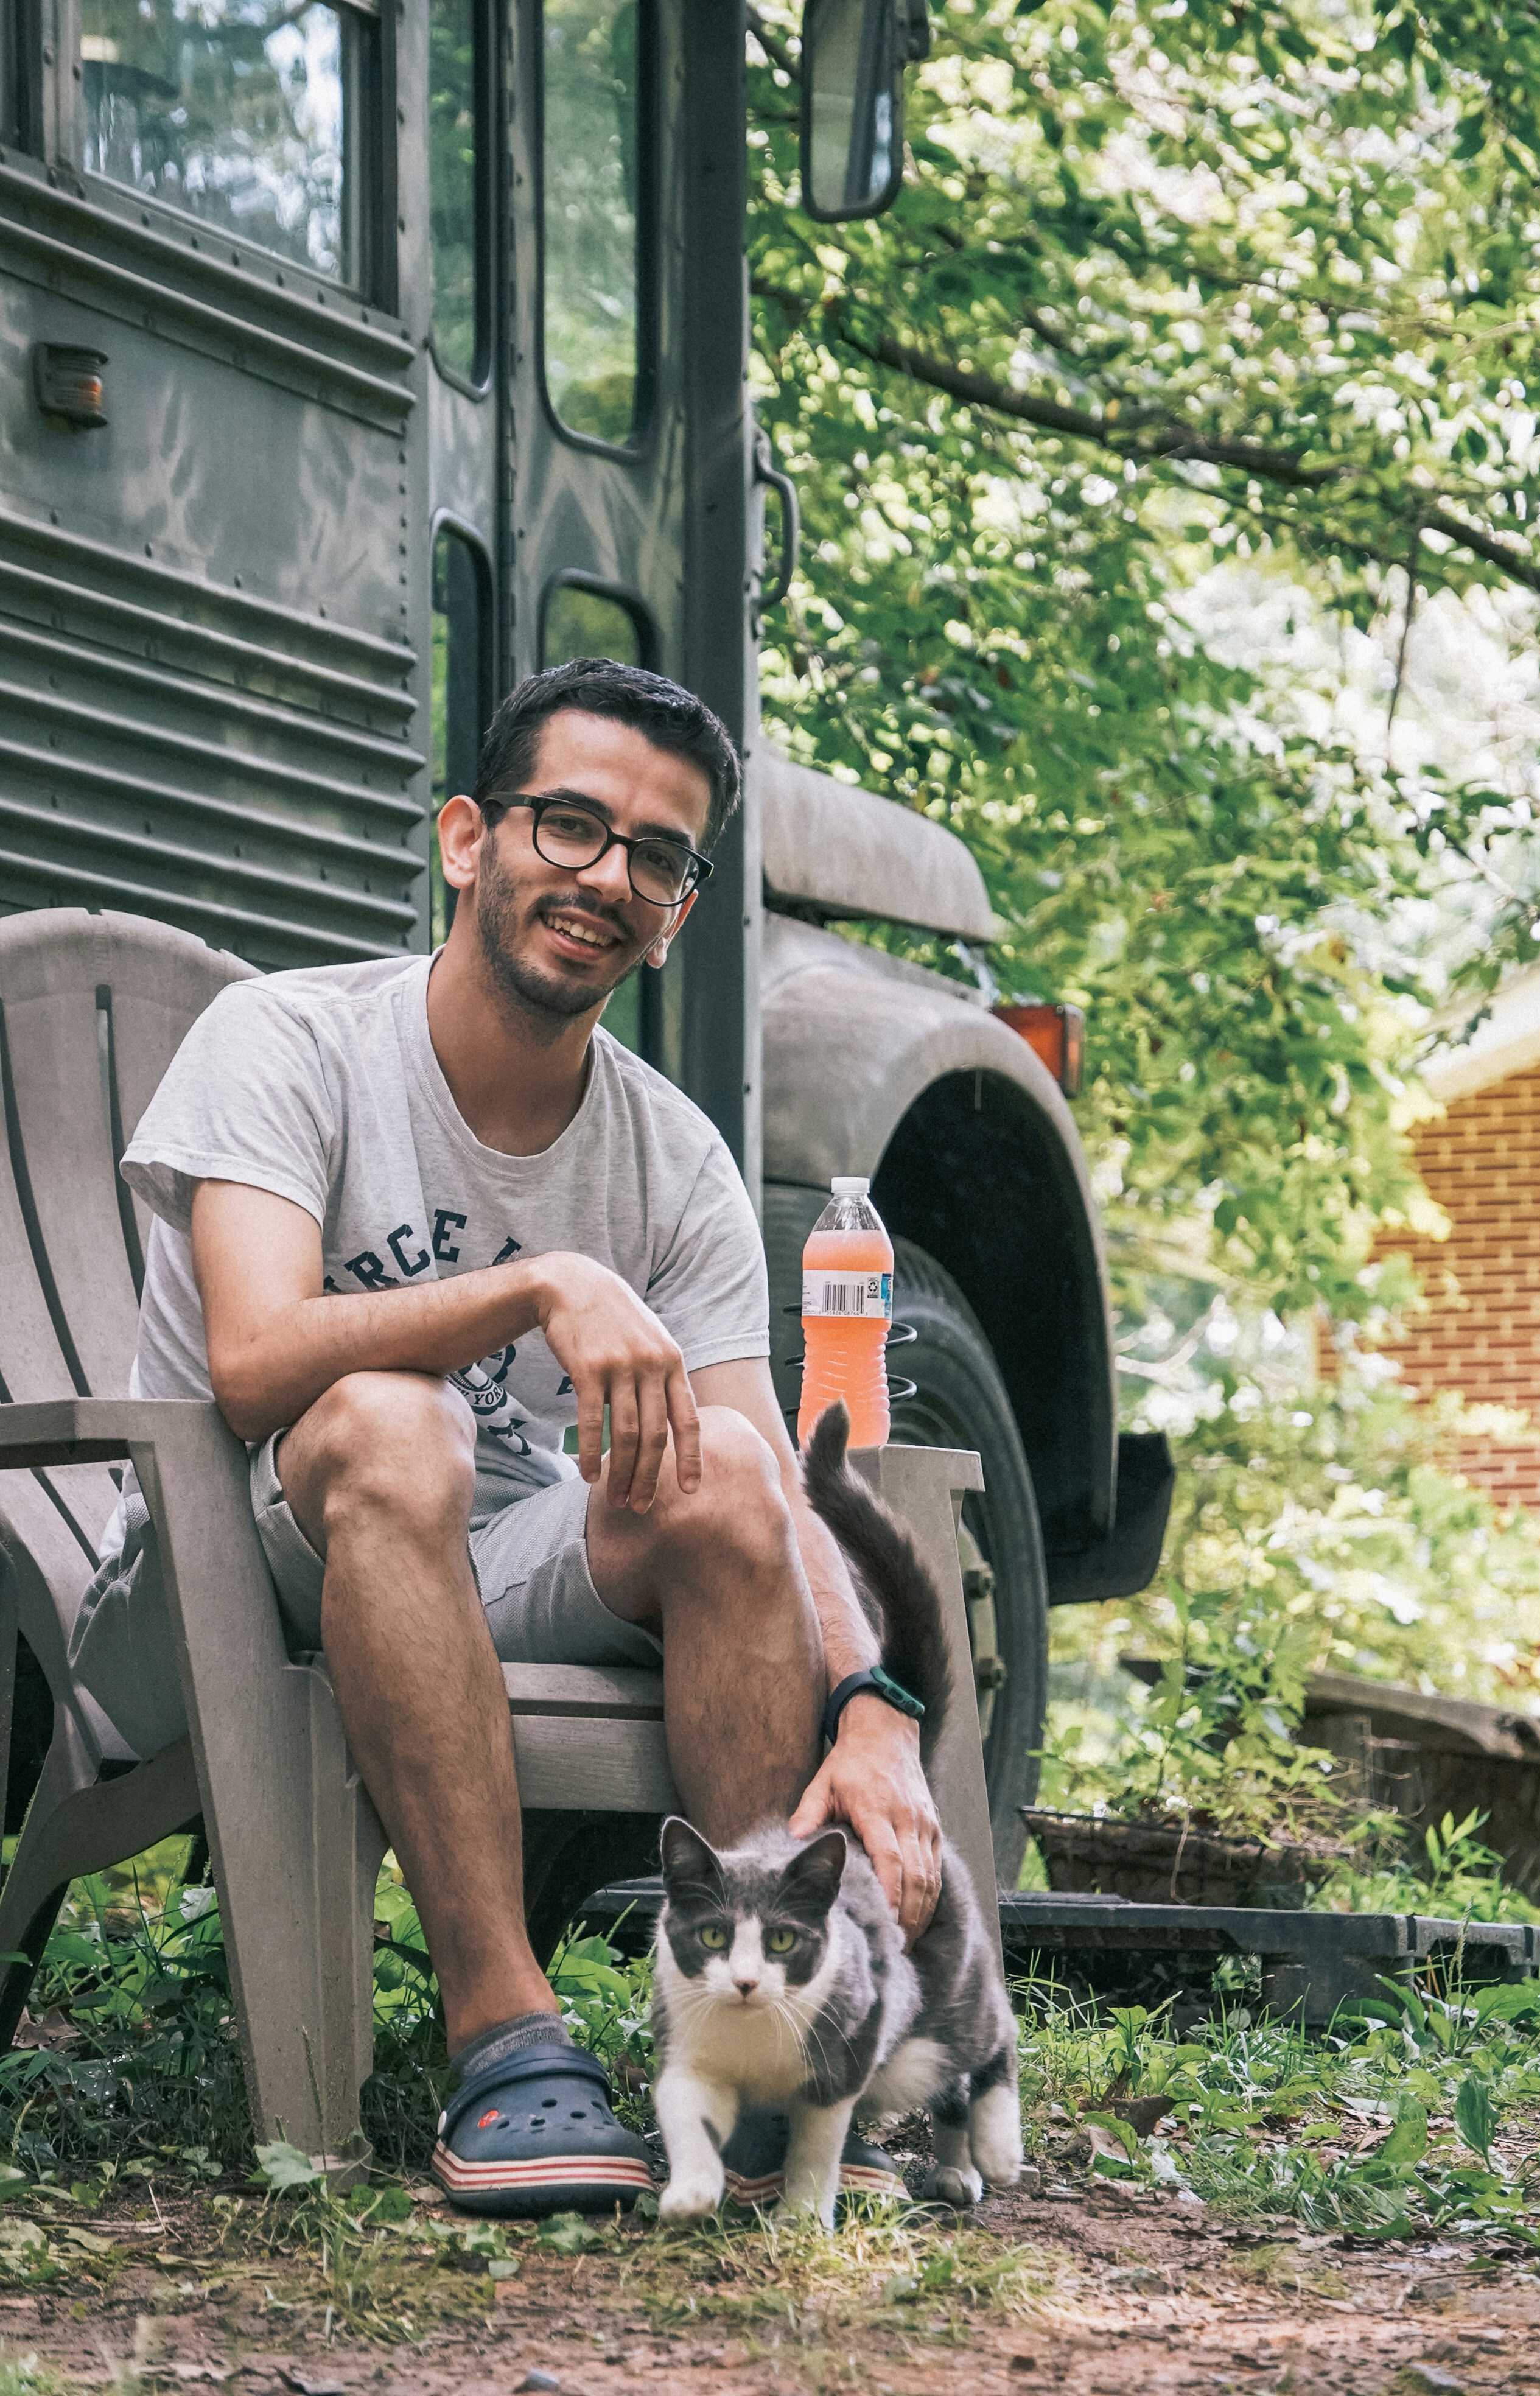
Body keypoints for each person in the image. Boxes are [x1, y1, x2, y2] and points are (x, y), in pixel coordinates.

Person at [72, 658, 942, 2216]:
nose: (607, 877)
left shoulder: (672, 1156)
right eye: (571, 825)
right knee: (391, 1425)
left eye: (657, 855)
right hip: (210, 1583)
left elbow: (772, 1482)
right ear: (469, 839)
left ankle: (757, 2077)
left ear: (677, 910)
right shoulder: (288, 1041)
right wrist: (544, 1282)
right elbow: (253, 1364)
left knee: (725, 1472)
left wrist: (874, 1706)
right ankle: (504, 2035)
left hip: (493, 1565)